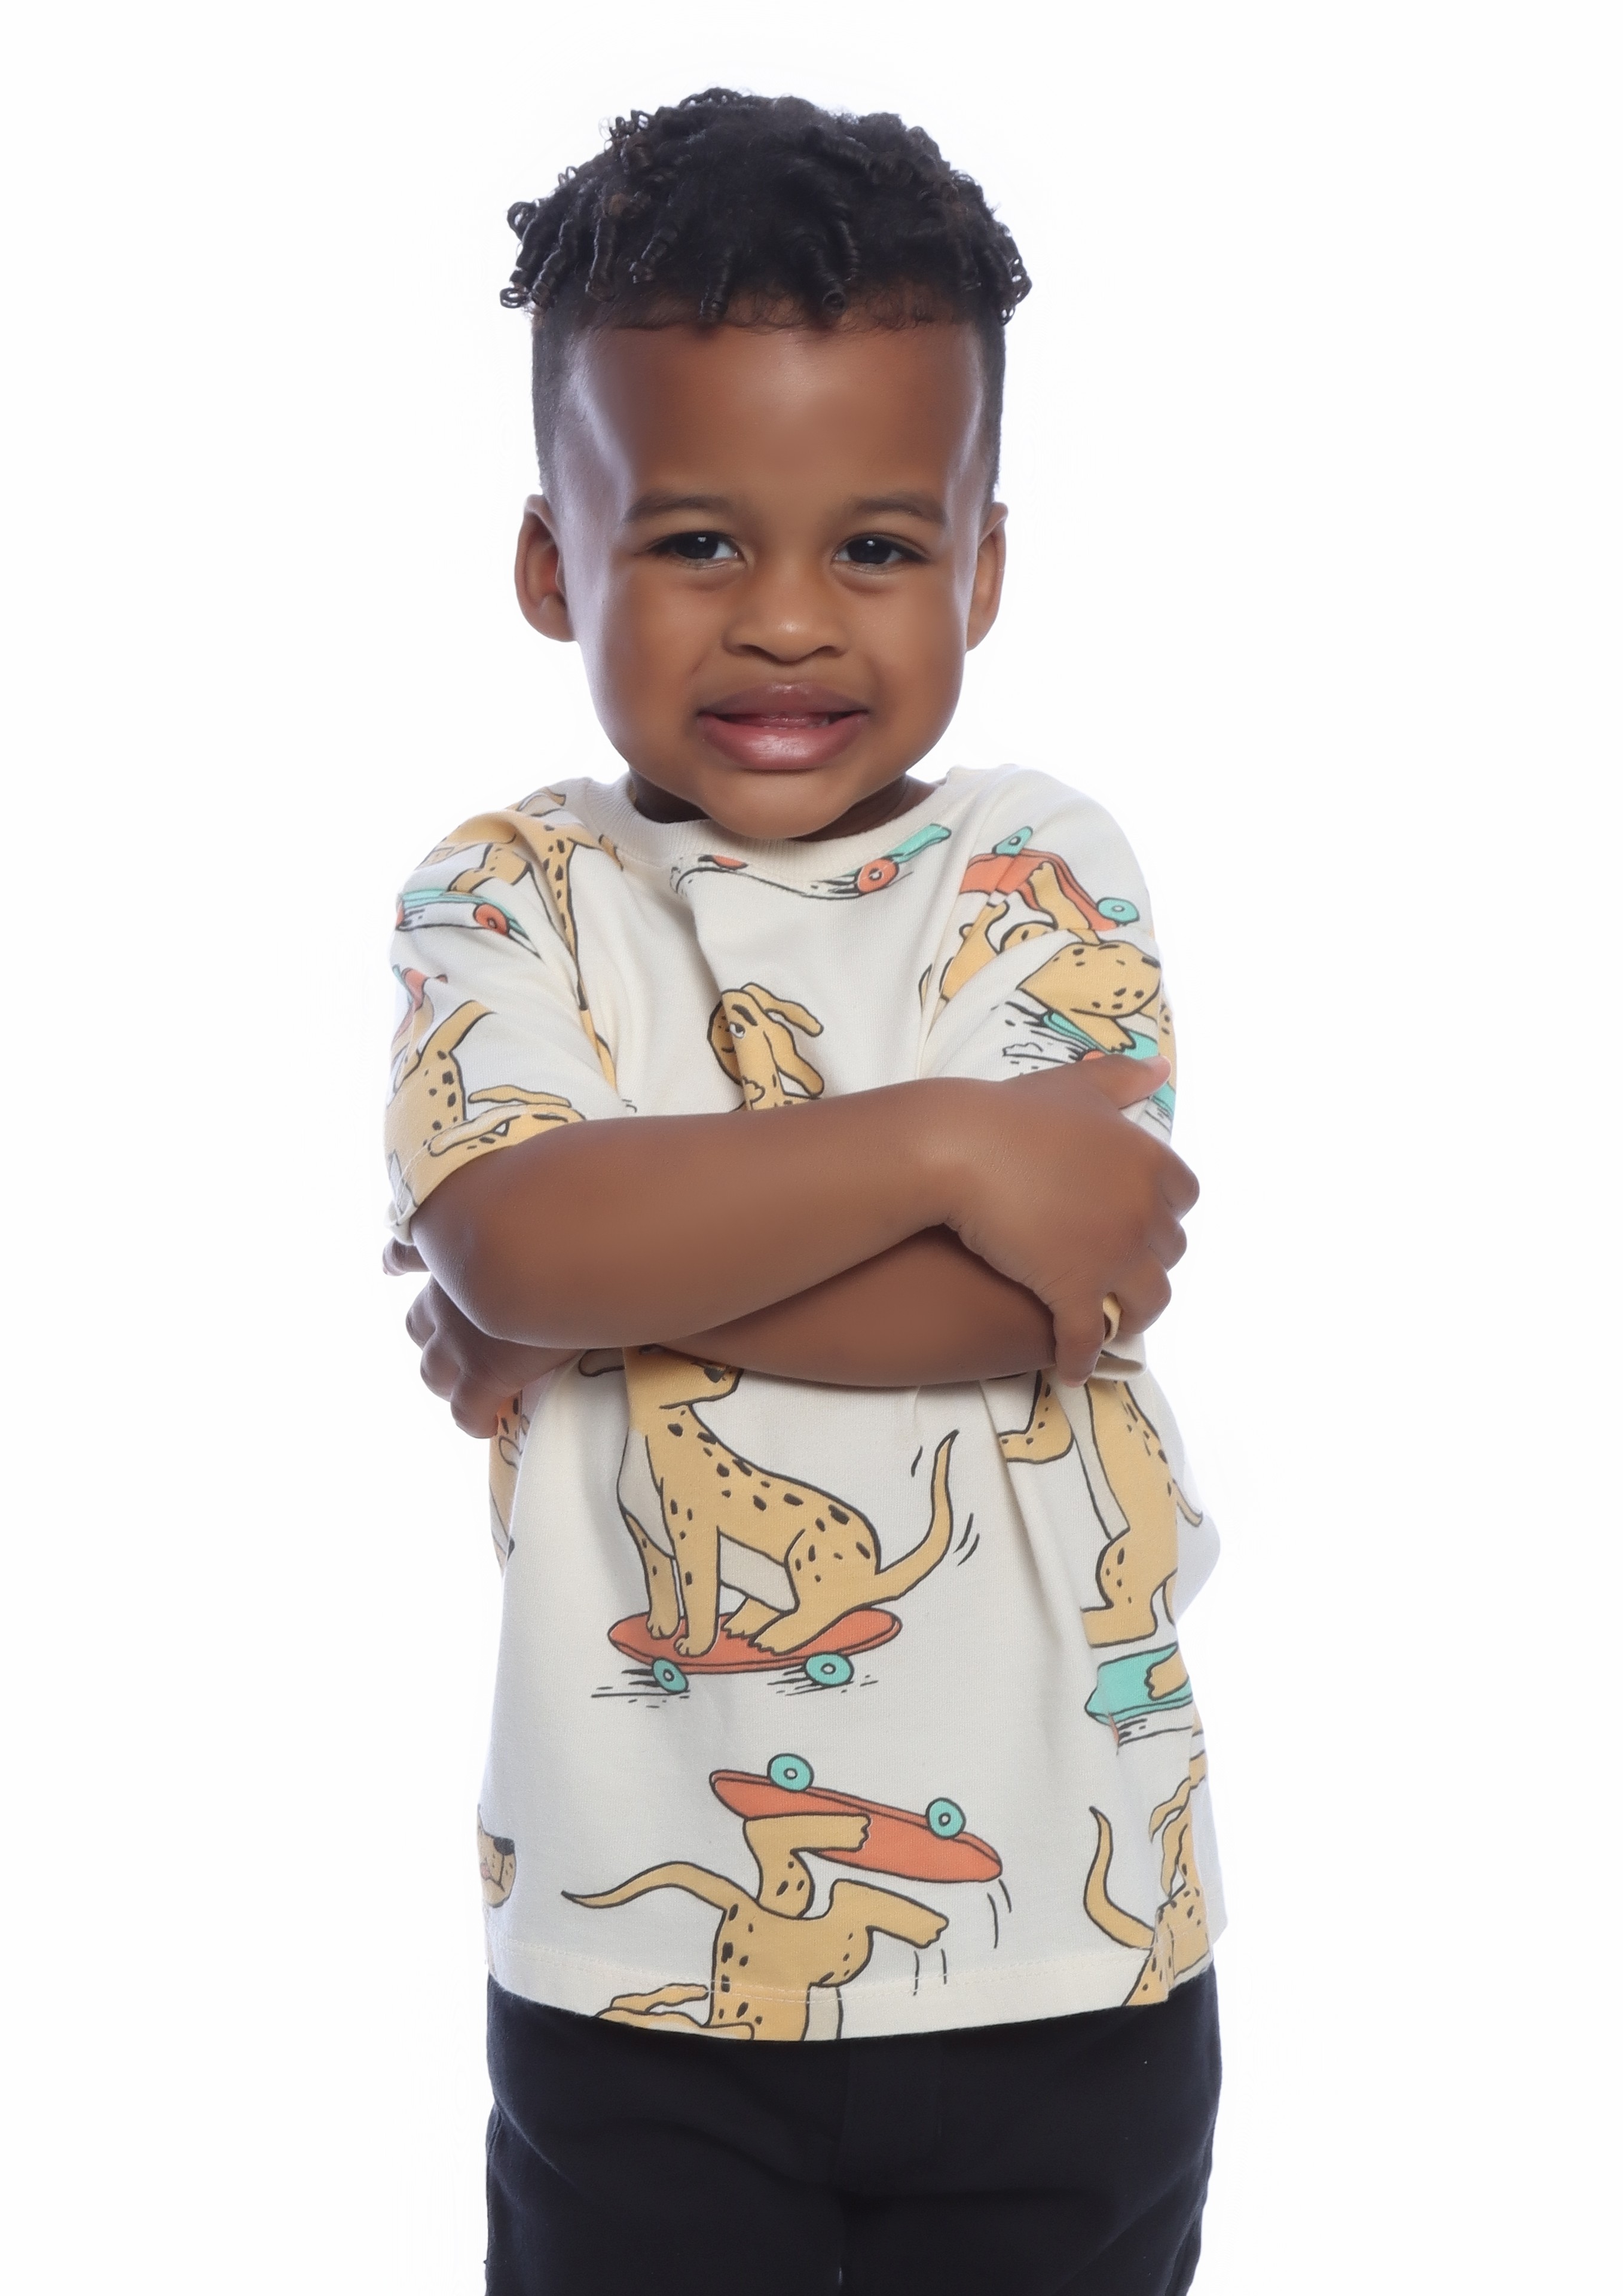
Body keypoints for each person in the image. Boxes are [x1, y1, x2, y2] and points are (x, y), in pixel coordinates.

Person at [386, 89, 1221, 2296]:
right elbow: (512, 1240)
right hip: (637, 1962)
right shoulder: (514, 892)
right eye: (692, 543)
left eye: (872, 548)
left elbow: (1045, 1294)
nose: (782, 624)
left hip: (1069, 1941)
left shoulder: (1034, 866)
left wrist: (598, 1280)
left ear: (981, 567)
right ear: (553, 562)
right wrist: (937, 1148)